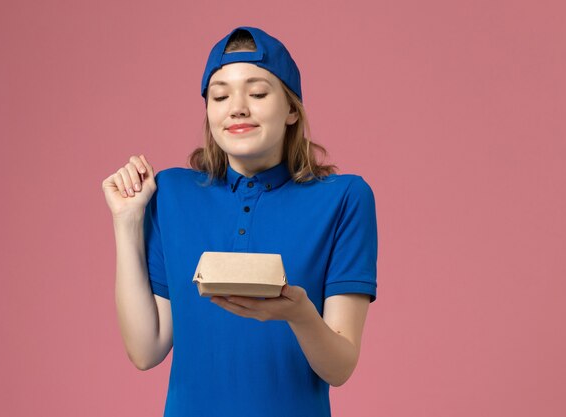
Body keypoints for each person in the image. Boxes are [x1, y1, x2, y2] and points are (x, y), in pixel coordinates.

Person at [102, 26, 378, 417]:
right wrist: (126, 221)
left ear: (292, 109)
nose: (237, 108)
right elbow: (146, 350)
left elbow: (339, 367)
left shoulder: (345, 198)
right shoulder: (171, 193)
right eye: (220, 95)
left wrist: (299, 314)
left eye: (259, 93)